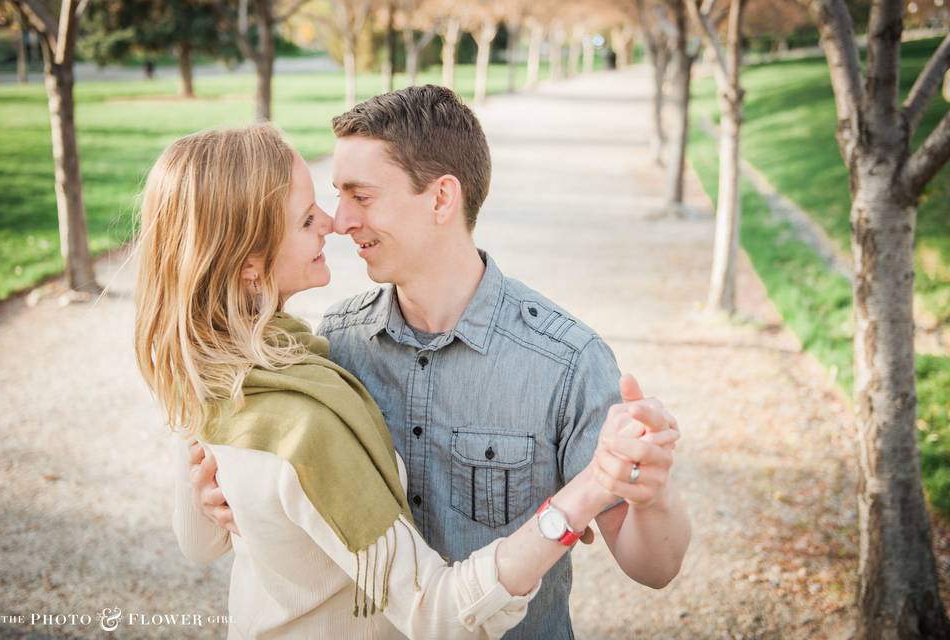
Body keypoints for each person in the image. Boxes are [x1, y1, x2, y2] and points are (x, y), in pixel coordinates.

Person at [134, 123, 679, 639]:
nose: (338, 221)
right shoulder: (332, 352)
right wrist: (216, 497)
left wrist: (648, 495)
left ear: (442, 198)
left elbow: (654, 569)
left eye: (360, 197)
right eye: (316, 211)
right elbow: (429, 608)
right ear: (250, 260)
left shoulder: (565, 362)